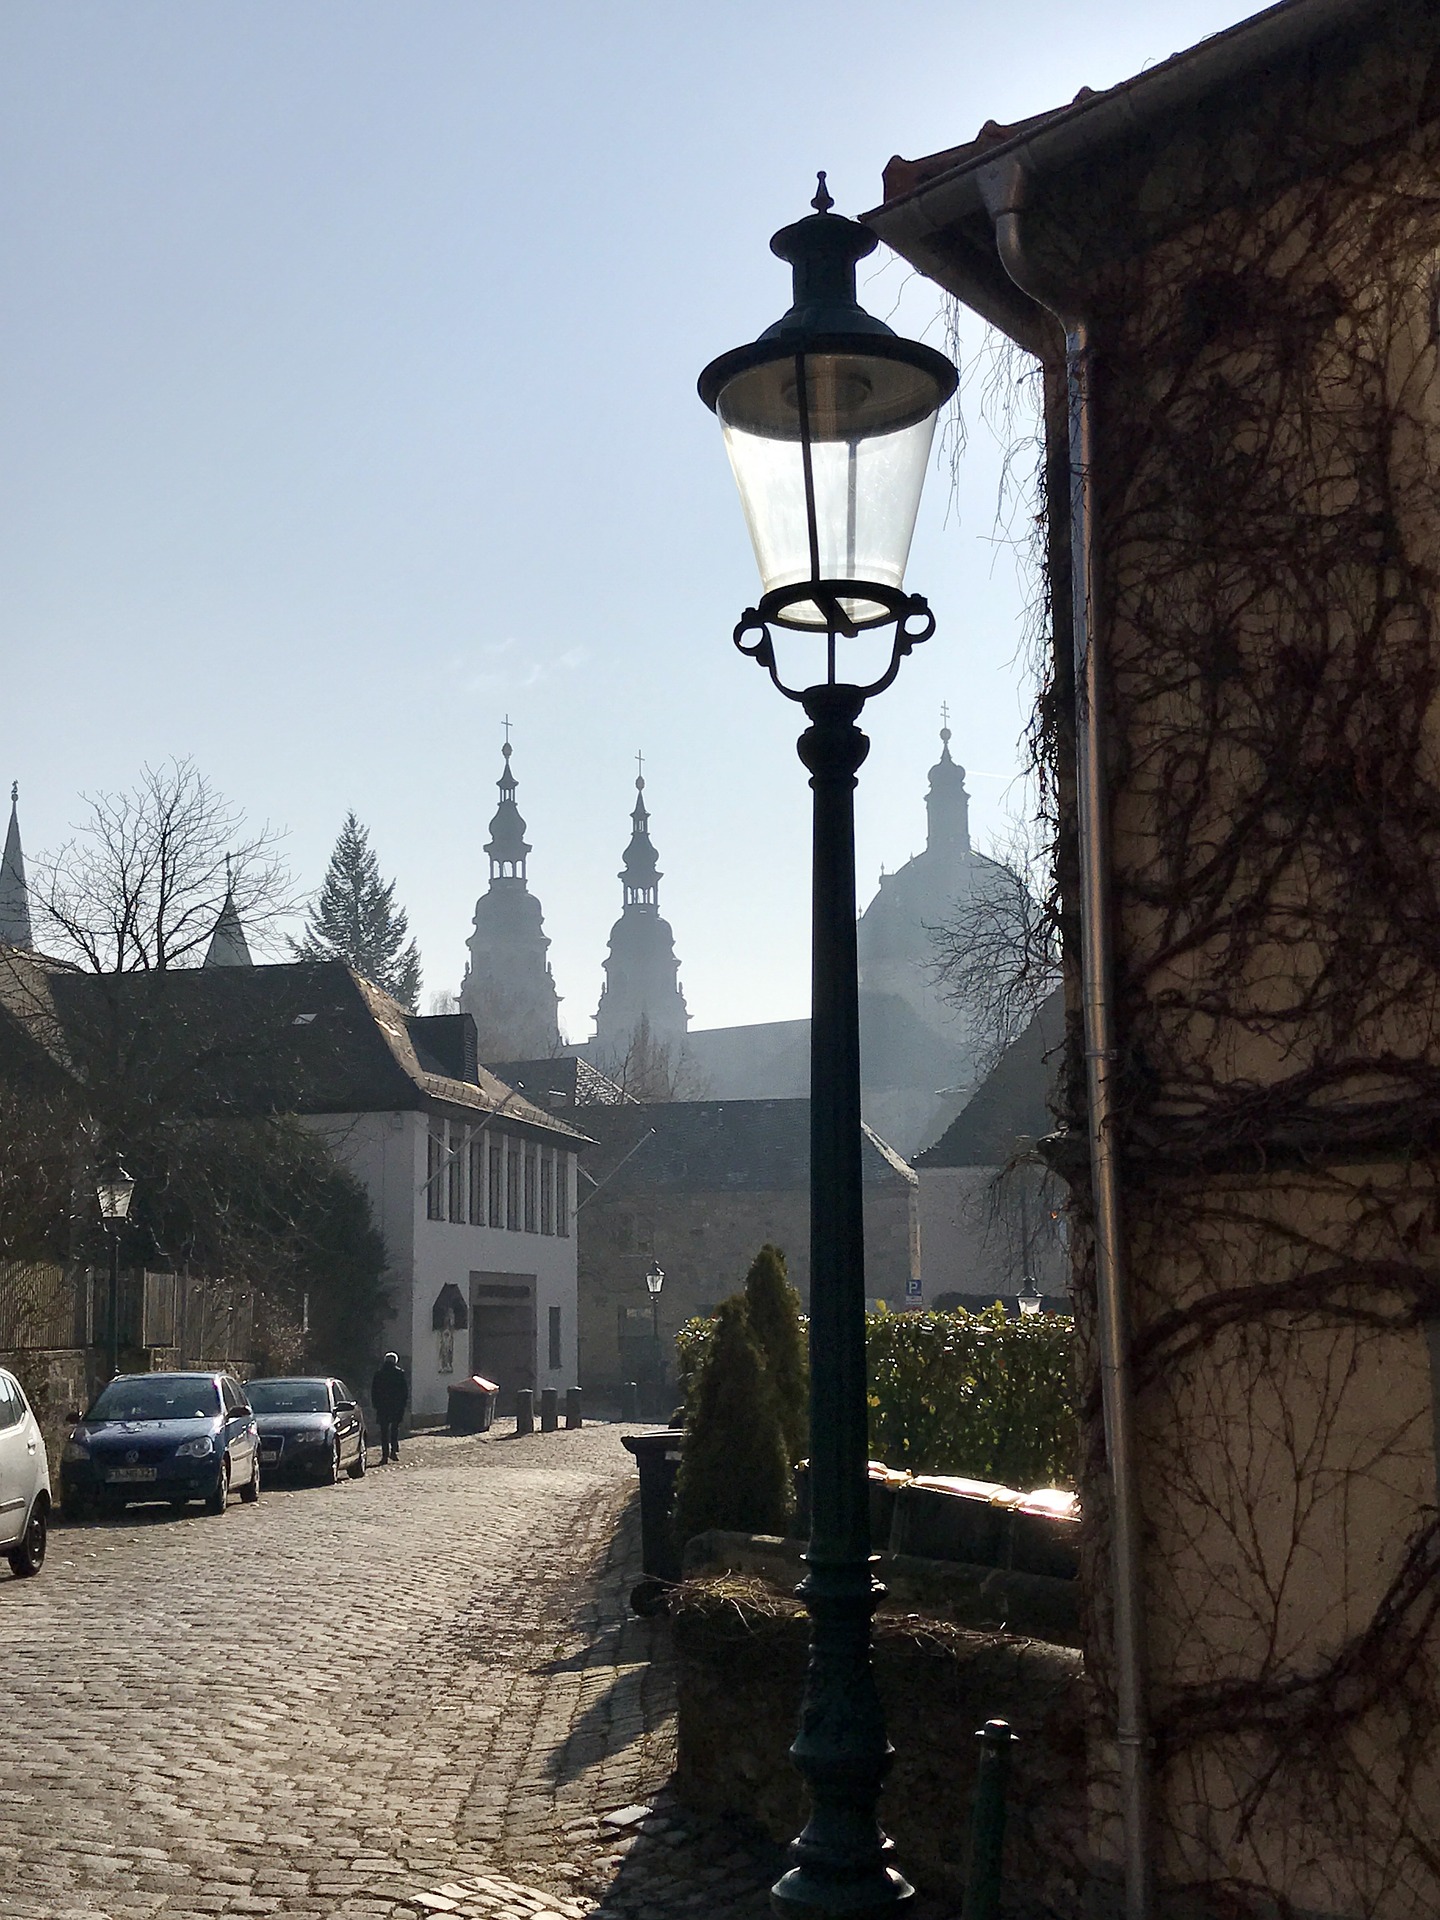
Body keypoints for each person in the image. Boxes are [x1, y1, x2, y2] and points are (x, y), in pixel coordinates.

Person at [371, 1351, 409, 1462]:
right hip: (396, 1407)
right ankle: (393, 1451)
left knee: (384, 1431)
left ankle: (384, 1455)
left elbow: (374, 1392)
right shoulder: (399, 1374)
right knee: (394, 1430)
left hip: (382, 1407)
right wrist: (403, 1405)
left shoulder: (378, 1374)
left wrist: (376, 1405)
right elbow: (404, 1392)